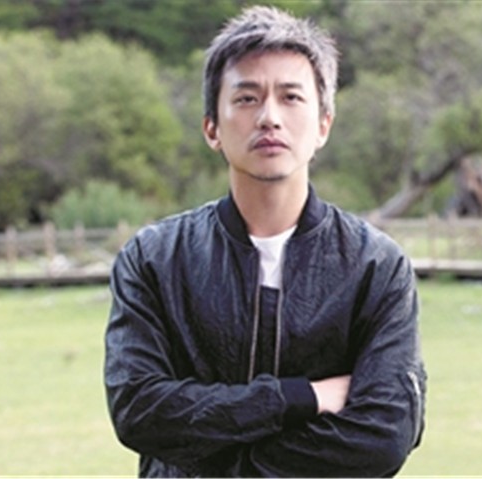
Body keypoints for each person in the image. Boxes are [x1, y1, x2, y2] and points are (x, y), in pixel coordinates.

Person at [104, 6, 426, 477]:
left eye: (291, 97)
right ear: (212, 127)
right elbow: (138, 410)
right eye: (247, 98)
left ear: (323, 124)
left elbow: (384, 435)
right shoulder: (154, 259)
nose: (269, 117)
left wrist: (217, 462)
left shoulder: (375, 266)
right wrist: (301, 397)